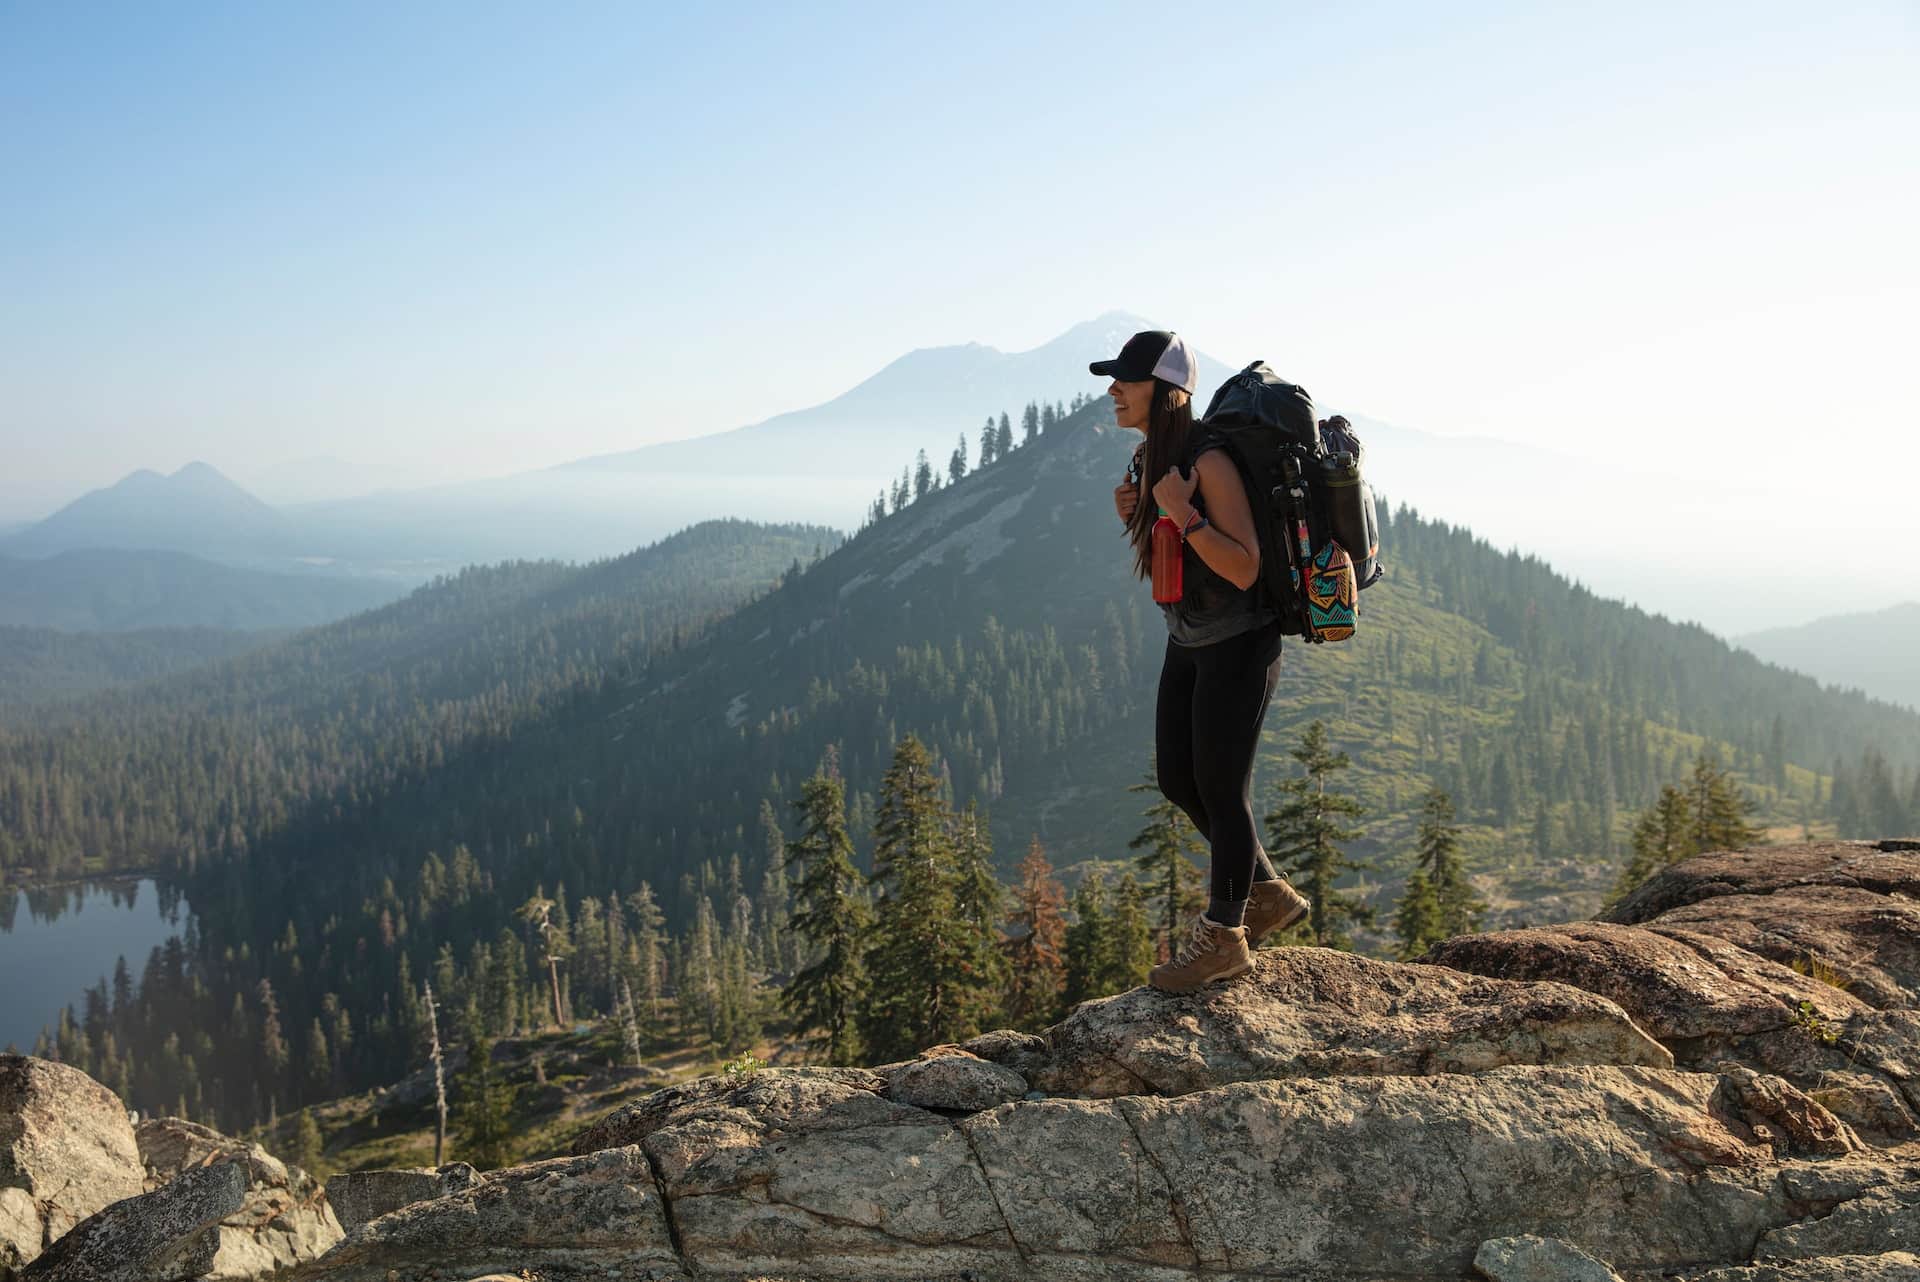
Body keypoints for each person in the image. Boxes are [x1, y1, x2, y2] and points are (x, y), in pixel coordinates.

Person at [1094, 328, 1312, 994]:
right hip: (1188, 637)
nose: (1112, 393)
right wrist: (1137, 512)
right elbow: (1176, 555)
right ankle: (1268, 892)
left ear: (1164, 393)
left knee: (1222, 790)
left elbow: (1244, 567)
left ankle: (1226, 937)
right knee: (1178, 781)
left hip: (1239, 643)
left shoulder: (1209, 461)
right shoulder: (1152, 458)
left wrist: (1185, 514)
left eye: (1125, 382)